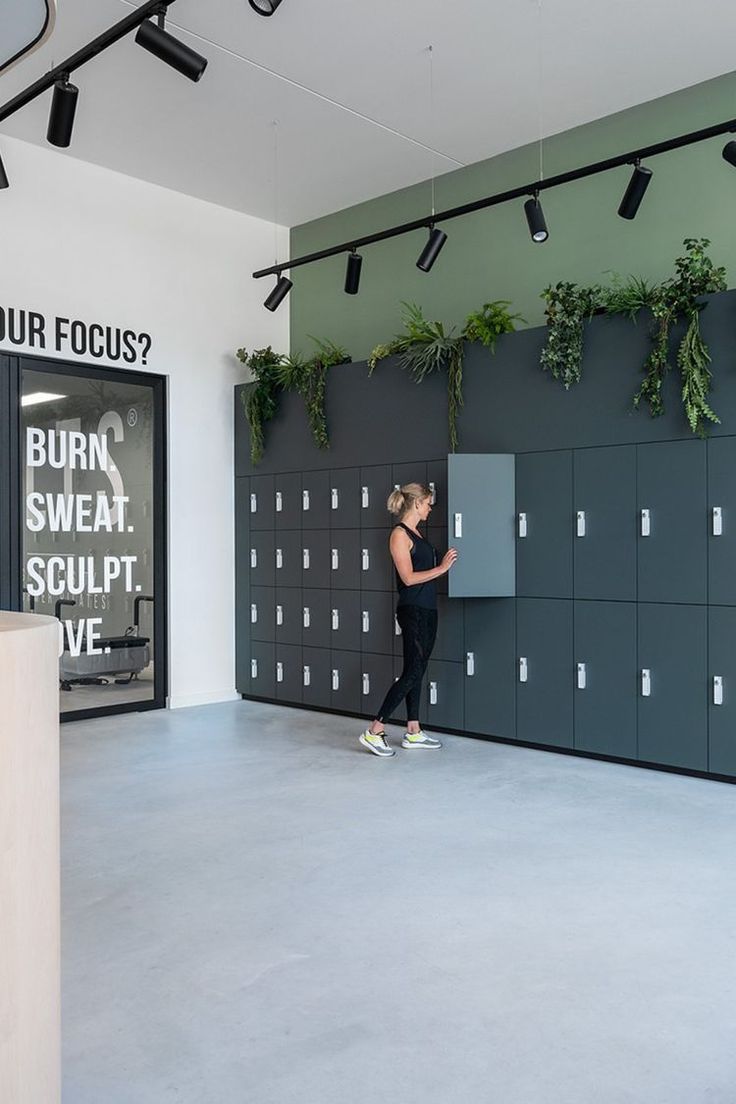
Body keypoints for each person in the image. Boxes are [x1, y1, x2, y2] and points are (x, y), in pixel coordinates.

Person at [359, 482, 457, 757]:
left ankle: (413, 731)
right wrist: (442, 569)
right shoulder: (399, 535)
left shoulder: (417, 534)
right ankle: (375, 729)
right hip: (412, 609)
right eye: (428, 503)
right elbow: (408, 579)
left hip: (427, 609)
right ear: (416, 503)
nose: (430, 508)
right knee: (413, 670)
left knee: (419, 668)